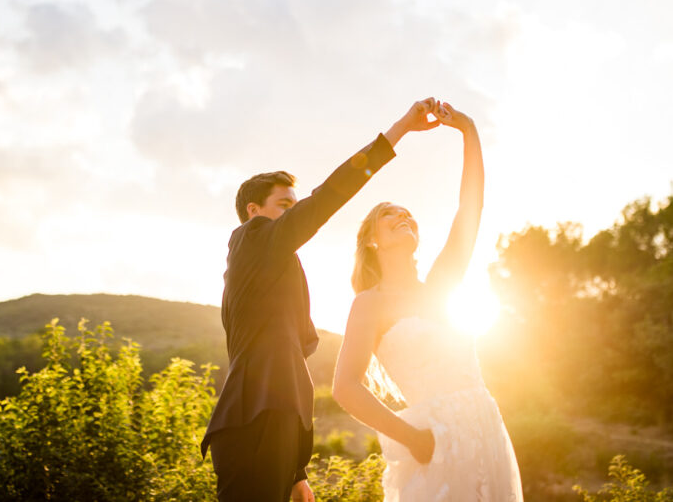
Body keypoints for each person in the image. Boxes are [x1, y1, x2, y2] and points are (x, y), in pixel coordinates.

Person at [201, 98, 443, 502]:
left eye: (295, 206)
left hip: (272, 424)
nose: (295, 212)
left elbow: (279, 353)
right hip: (253, 423)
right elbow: (330, 194)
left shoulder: (271, 271)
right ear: (253, 211)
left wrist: (296, 469)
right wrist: (400, 128)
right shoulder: (250, 239)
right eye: (285, 205)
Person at [332, 101, 523, 501]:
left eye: (409, 214)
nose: (405, 217)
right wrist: (413, 439)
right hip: (432, 441)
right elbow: (346, 388)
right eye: (391, 216)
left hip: (486, 428)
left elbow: (471, 208)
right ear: (372, 239)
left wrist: (469, 131)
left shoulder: (440, 285)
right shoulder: (370, 304)